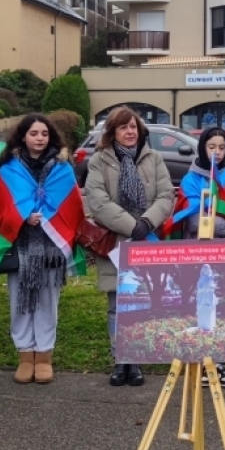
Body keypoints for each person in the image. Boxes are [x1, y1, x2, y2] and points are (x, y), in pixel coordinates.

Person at [0, 114, 85, 384]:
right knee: (19, 301)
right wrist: (22, 215)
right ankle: (24, 354)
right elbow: (0, 206)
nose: (39, 138)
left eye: (44, 133)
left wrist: (48, 218)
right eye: (34, 133)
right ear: (23, 137)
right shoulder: (8, 168)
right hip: (20, 246)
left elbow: (72, 206)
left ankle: (44, 356)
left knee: (47, 302)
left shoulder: (62, 168)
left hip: (52, 248)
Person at [165, 126, 225, 388]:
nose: (217, 153)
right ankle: (203, 360)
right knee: (201, 306)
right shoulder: (190, 179)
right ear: (202, 147)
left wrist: (222, 221)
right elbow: (196, 221)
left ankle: (220, 363)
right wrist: (222, 219)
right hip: (198, 256)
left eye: (221, 147)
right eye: (212, 147)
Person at [84, 106, 174, 388]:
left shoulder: (154, 158)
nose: (130, 132)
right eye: (123, 127)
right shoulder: (99, 161)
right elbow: (97, 200)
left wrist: (146, 223)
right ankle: (119, 360)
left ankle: (134, 360)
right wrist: (130, 225)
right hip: (117, 242)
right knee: (117, 306)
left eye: (133, 127)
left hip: (146, 240)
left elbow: (166, 195)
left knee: (140, 304)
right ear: (113, 132)